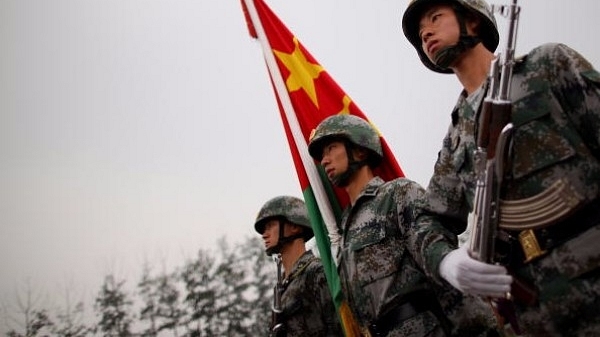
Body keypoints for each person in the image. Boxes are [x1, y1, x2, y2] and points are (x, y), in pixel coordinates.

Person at [401, 0, 600, 335]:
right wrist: (446, 262)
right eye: (421, 33)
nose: (426, 33)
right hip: (532, 310)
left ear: (473, 22)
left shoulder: (547, 66)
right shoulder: (456, 137)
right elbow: (426, 217)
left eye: (435, 18)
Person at [307, 114, 496, 337]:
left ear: (360, 150)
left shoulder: (397, 193)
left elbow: (432, 247)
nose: (325, 160)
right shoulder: (345, 227)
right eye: (322, 155)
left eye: (331, 148)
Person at [254, 195, 342, 336]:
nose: (264, 235)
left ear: (294, 226)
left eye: (270, 226)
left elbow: (340, 326)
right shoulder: (282, 288)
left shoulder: (316, 273)